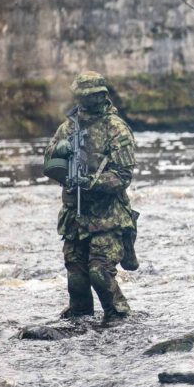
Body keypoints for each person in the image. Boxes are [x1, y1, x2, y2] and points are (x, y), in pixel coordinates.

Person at [44, 72, 138, 323]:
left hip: (107, 216)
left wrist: (92, 183)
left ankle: (119, 316)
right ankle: (80, 321)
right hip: (75, 215)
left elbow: (123, 175)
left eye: (90, 96)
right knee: (76, 275)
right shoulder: (68, 127)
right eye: (81, 97)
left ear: (101, 96)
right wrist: (58, 152)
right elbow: (49, 163)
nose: (85, 102)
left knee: (99, 272)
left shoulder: (116, 128)